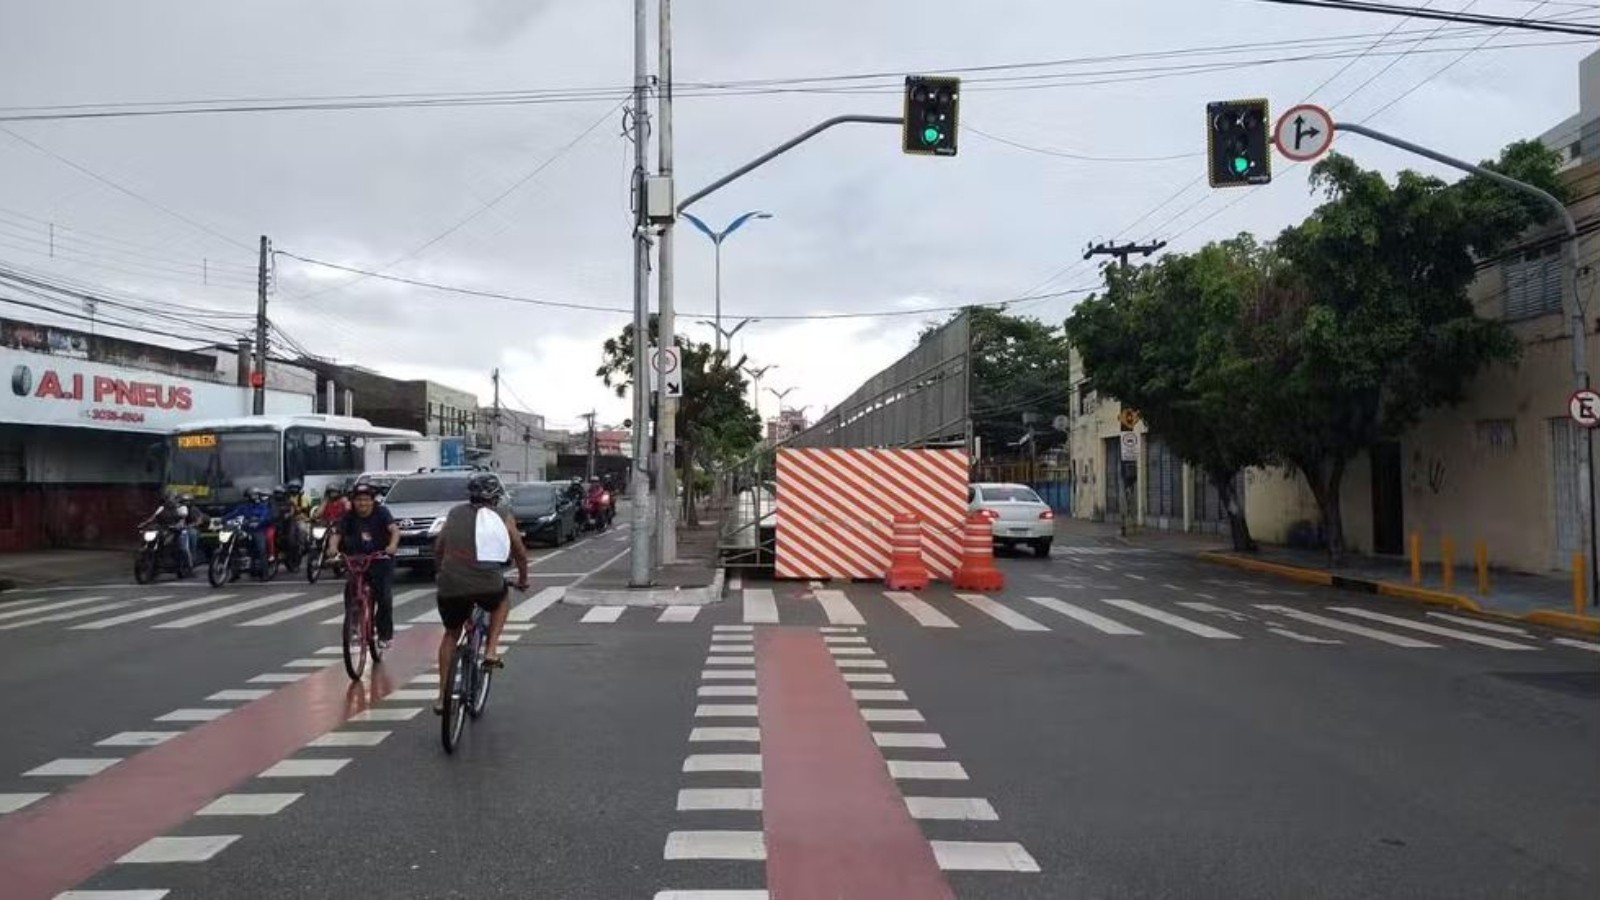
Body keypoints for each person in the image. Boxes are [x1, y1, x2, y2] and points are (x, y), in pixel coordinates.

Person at [432, 472, 528, 715]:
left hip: (450, 584)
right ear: (496, 497)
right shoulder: (503, 516)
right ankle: (491, 650)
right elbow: (519, 551)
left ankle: (443, 697)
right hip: (487, 583)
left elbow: (439, 548)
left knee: (451, 635)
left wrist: (441, 572)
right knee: (501, 599)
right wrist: (524, 579)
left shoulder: (454, 513)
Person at [329, 481, 399, 649]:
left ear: (372, 500)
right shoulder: (348, 516)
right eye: (359, 499)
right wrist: (332, 549)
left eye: (366, 499)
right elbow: (337, 534)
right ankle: (353, 625)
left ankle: (384, 635)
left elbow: (394, 531)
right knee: (351, 590)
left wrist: (392, 546)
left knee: (384, 597)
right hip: (356, 559)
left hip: (380, 558)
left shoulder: (382, 513)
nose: (362, 503)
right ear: (353, 501)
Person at [219, 487, 273, 576]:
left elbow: (264, 516)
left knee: (261, 549)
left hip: (258, 530)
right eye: (252, 495)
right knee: (233, 545)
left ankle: (265, 573)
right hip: (246, 529)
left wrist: (258, 523)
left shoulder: (263, 506)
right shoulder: (244, 506)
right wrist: (222, 519)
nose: (254, 497)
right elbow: (234, 513)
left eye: (256, 495)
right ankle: (235, 573)